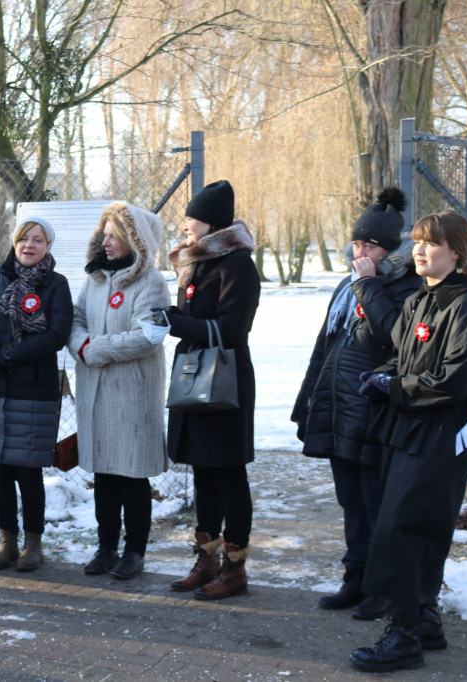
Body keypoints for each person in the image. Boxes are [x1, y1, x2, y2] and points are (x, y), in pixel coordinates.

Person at [348, 211, 467, 673]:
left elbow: (452, 382)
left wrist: (395, 387)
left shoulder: (466, 309)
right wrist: (383, 375)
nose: (420, 250)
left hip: (442, 437)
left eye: (431, 243)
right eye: (417, 242)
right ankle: (425, 621)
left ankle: (403, 638)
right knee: (409, 526)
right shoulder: (423, 299)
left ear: (456, 252)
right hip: (410, 430)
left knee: (405, 529)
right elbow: (403, 346)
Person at [291, 188, 420, 620]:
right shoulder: (347, 288)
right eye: (357, 242)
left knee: (375, 502)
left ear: (389, 249)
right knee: (350, 501)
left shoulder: (405, 286)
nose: (359, 251)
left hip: (375, 410)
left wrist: (367, 284)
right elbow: (324, 346)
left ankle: (382, 587)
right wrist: (306, 402)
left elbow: (394, 336)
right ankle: (356, 579)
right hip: (337, 408)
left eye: (369, 245)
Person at [164, 180, 261, 600]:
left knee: (227, 473)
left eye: (192, 217)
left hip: (223, 378)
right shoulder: (198, 262)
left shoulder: (237, 265)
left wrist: (174, 322)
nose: (185, 224)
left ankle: (234, 568)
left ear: (211, 222)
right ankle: (206, 560)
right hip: (194, 374)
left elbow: (231, 329)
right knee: (203, 472)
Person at [0, 217, 73, 572]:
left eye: (37, 240)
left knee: (27, 470)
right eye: (24, 238)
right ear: (14, 242)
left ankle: (33, 544)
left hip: (32, 390)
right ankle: (6, 540)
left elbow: (57, 333)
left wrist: (11, 355)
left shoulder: (56, 285)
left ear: (47, 245)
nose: (29, 245)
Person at [67, 202, 170, 580]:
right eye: (104, 234)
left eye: (114, 236)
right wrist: (81, 345)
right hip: (96, 391)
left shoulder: (151, 282)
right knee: (104, 477)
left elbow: (151, 335)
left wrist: (97, 349)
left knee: (131, 477)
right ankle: (106, 546)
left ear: (134, 240)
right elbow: (75, 319)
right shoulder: (94, 279)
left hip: (132, 393)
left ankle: (135, 550)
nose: (106, 242)